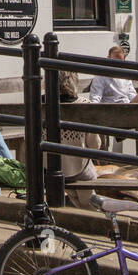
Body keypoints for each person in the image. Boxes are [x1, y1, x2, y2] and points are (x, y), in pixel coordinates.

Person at [57, 71, 103, 206]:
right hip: (78, 169)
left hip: (48, 168)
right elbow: (95, 145)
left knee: (77, 201)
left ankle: (80, 210)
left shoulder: (38, 103)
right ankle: (88, 213)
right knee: (88, 202)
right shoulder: (83, 104)